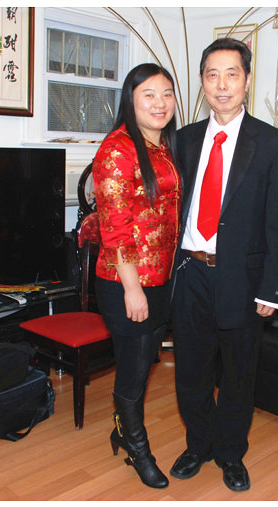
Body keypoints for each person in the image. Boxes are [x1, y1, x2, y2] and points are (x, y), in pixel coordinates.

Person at [170, 38, 278, 492]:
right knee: (191, 372)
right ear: (202, 82)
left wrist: (272, 287)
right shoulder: (181, 140)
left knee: (239, 375)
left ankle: (230, 453)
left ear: (246, 80)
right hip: (189, 273)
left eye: (231, 74)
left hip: (242, 279)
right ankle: (198, 444)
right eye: (212, 75)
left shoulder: (273, 143)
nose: (222, 85)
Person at [92, 63, 181, 489]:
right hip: (125, 281)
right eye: (149, 94)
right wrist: (132, 288)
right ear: (131, 99)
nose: (160, 103)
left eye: (167, 94)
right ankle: (136, 446)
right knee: (134, 367)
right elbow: (115, 227)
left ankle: (121, 428)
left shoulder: (163, 146)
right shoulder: (117, 148)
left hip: (161, 276)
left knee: (144, 362)